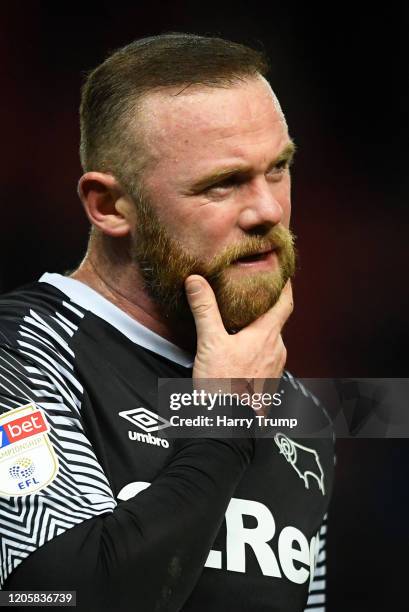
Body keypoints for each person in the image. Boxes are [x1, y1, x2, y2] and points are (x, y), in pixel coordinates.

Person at [0, 33, 333, 611]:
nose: (268, 210)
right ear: (109, 206)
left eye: (278, 169)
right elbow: (52, 599)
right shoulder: (23, 353)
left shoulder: (304, 413)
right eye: (223, 183)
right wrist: (224, 419)